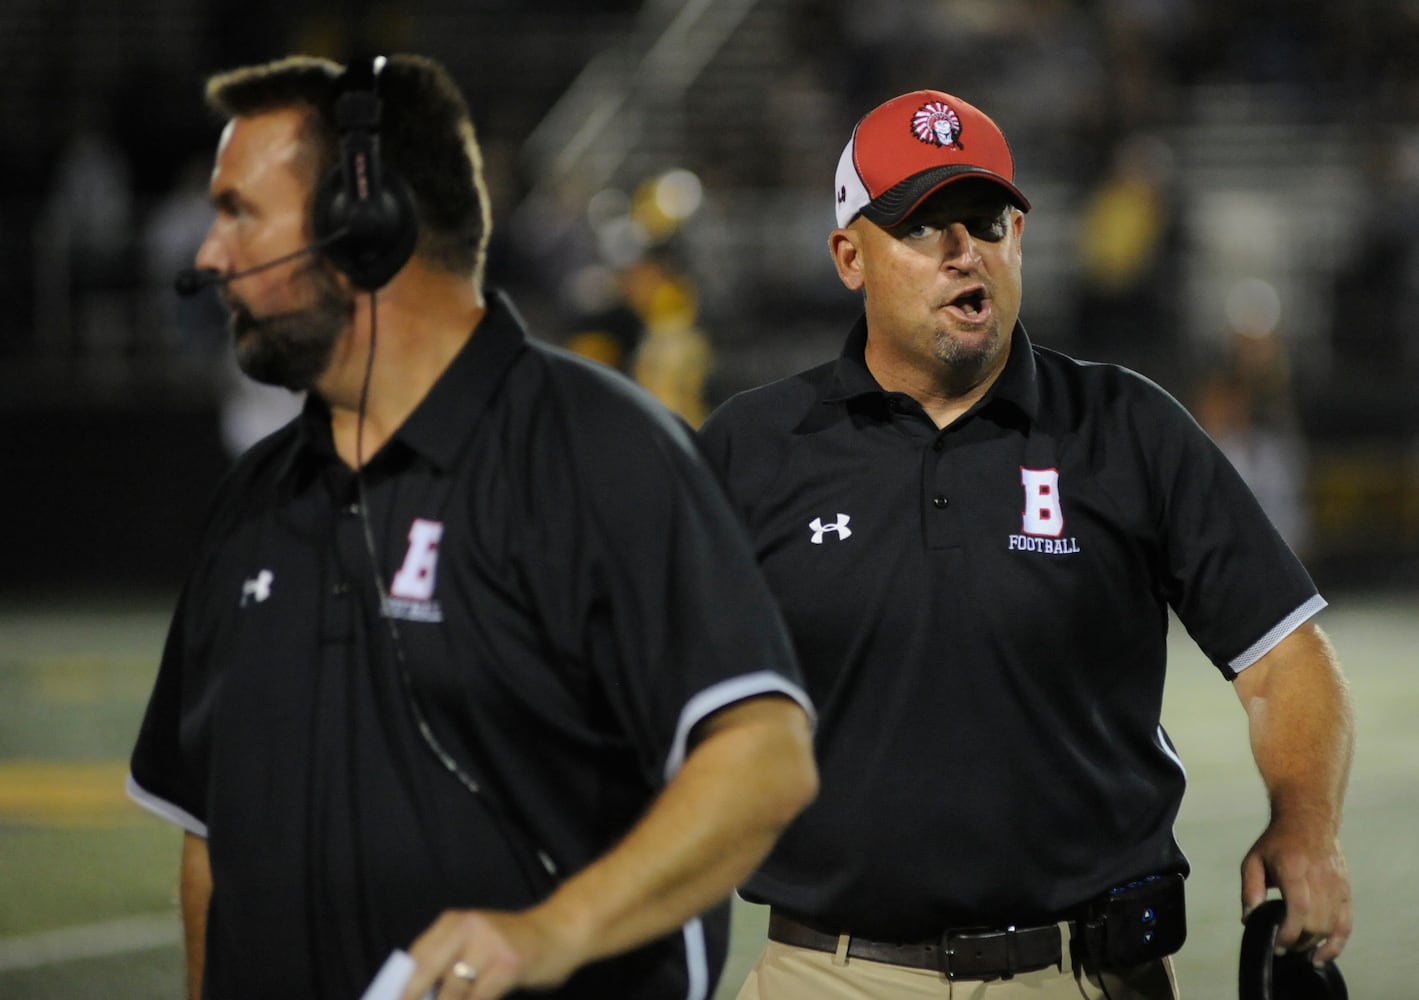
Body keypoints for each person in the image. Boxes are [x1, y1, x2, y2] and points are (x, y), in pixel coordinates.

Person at [126, 54, 818, 1000]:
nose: (208, 255)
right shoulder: (252, 500)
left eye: (240, 210)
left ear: (363, 223)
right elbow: (210, 841)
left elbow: (762, 755)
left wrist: (552, 932)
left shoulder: (599, 453)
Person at [699, 89, 1354, 999]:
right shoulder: (751, 448)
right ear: (850, 256)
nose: (965, 251)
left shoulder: (1126, 428)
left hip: (1087, 974)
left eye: (987, 220)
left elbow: (1284, 658)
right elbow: (629, 688)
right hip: (829, 974)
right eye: (924, 227)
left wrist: (1303, 824)